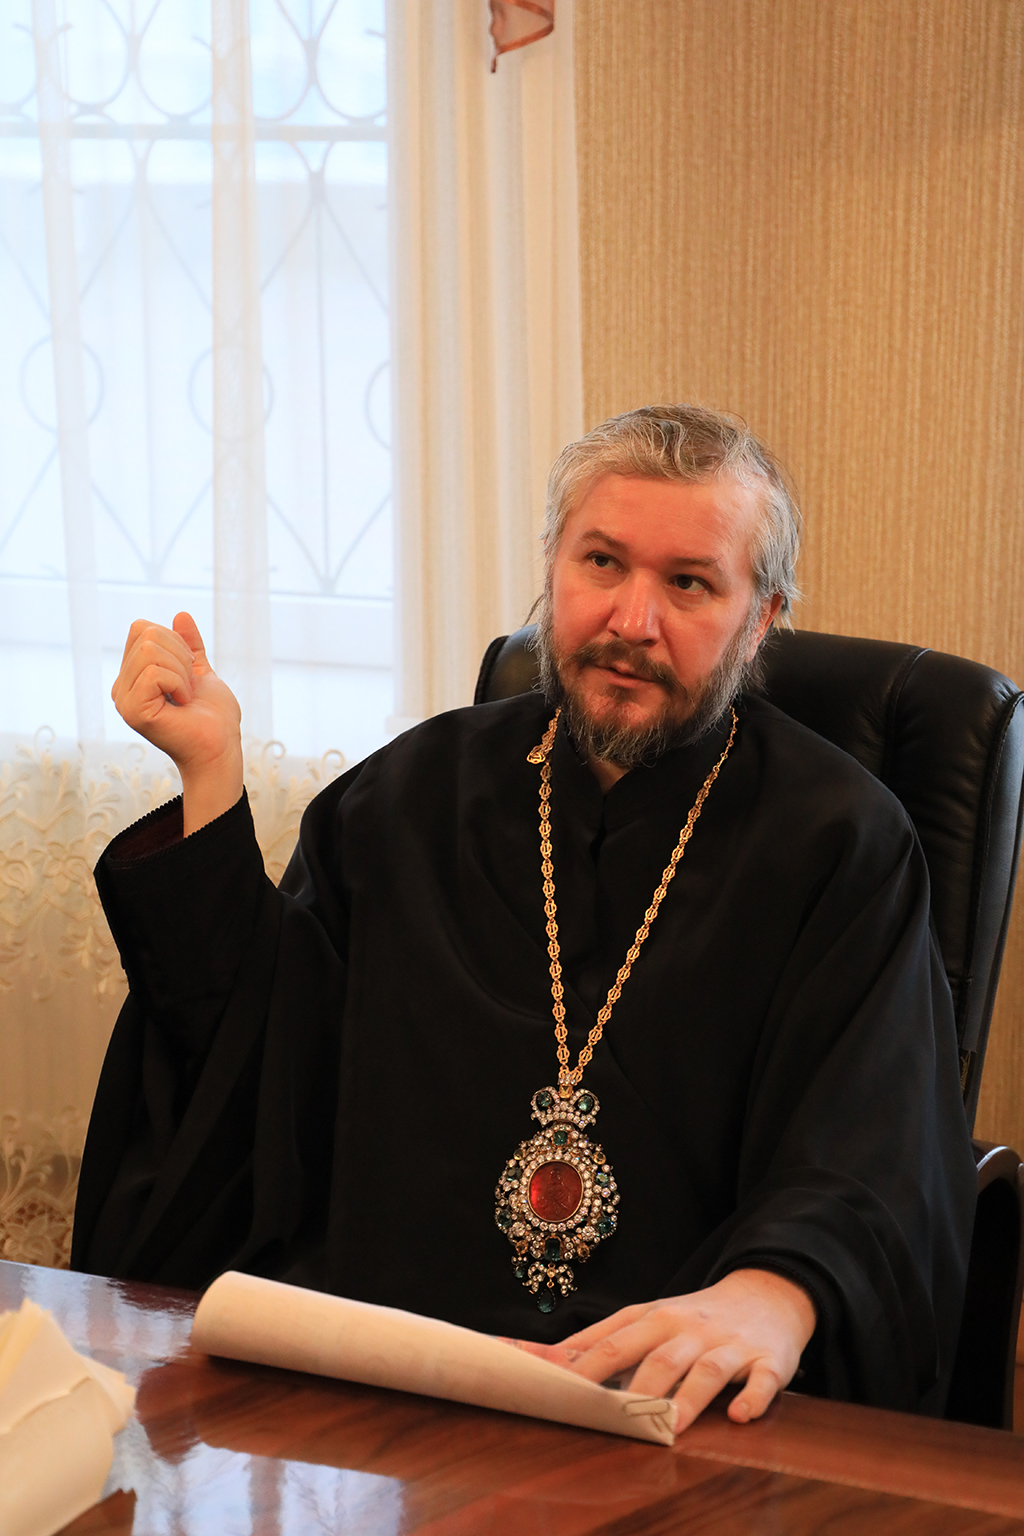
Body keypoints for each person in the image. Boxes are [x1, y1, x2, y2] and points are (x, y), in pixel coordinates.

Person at [72, 404, 975, 1428]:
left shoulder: (841, 841)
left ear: (760, 617)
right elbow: (260, 1053)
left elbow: (874, 1140)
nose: (632, 620)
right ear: (553, 565)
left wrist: (774, 1294)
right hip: (396, 1376)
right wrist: (210, 777)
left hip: (664, 1394)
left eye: (689, 583)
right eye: (602, 563)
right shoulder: (405, 799)